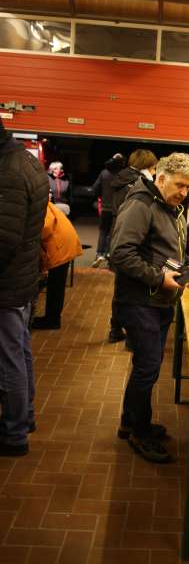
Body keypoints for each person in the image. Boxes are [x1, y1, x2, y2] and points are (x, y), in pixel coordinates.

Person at [110, 152, 189, 463]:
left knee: (145, 366)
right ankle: (139, 432)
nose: (184, 192)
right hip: (140, 301)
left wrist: (188, 267)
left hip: (159, 300)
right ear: (160, 178)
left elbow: (169, 250)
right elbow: (120, 254)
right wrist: (159, 278)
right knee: (147, 368)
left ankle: (130, 422)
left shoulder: (171, 208)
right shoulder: (141, 205)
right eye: (179, 185)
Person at [0, 118, 49, 456]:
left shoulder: (10, 171)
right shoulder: (27, 162)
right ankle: (25, 417)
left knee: (9, 359)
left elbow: (4, 239)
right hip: (23, 278)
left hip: (8, 282)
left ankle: (14, 434)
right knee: (20, 350)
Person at [108, 149, 158, 343]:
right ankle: (131, 334)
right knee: (132, 289)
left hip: (118, 233)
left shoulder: (120, 180)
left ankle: (115, 329)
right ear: (148, 167)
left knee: (120, 286)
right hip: (135, 239)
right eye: (153, 168)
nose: (154, 173)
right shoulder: (140, 184)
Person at [32, 201, 83, 330]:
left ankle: (52, 320)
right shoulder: (42, 201)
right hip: (63, 241)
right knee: (56, 284)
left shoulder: (38, 206)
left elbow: (46, 227)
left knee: (56, 285)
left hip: (59, 245)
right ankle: (52, 318)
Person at [92, 153, 126, 267]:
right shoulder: (124, 175)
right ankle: (109, 256)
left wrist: (101, 195)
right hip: (118, 209)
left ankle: (99, 255)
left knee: (103, 231)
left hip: (105, 208)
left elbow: (94, 189)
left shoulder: (104, 173)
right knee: (114, 234)